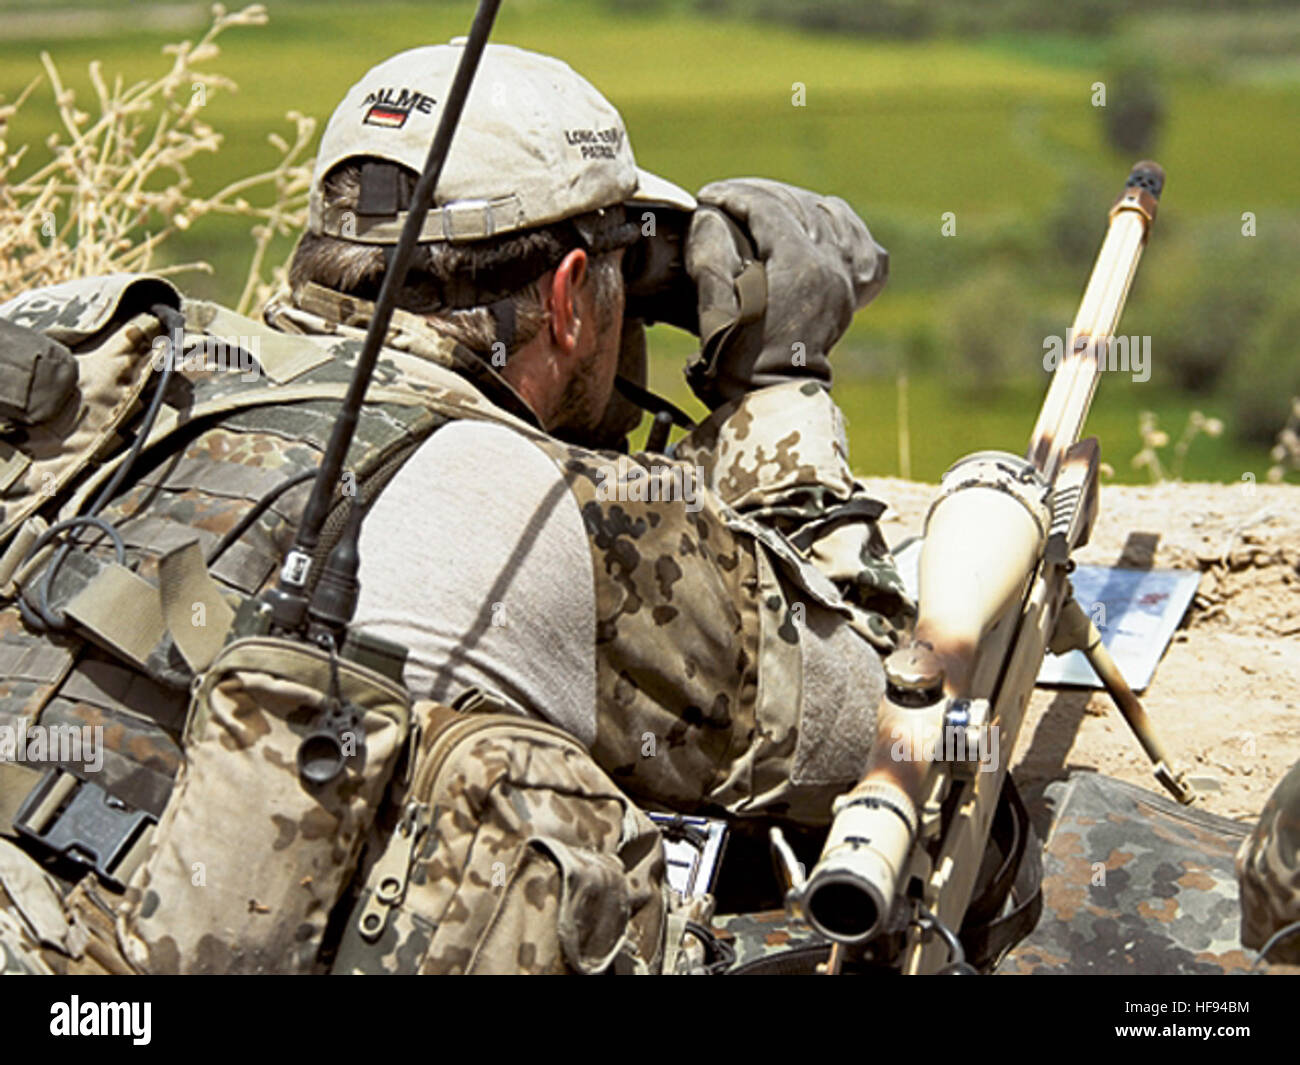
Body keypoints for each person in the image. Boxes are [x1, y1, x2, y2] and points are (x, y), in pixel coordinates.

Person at [0, 41, 910, 974]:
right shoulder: (551, 503)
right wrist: (777, 382)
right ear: (566, 298)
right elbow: (885, 712)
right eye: (618, 275)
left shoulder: (117, 372)